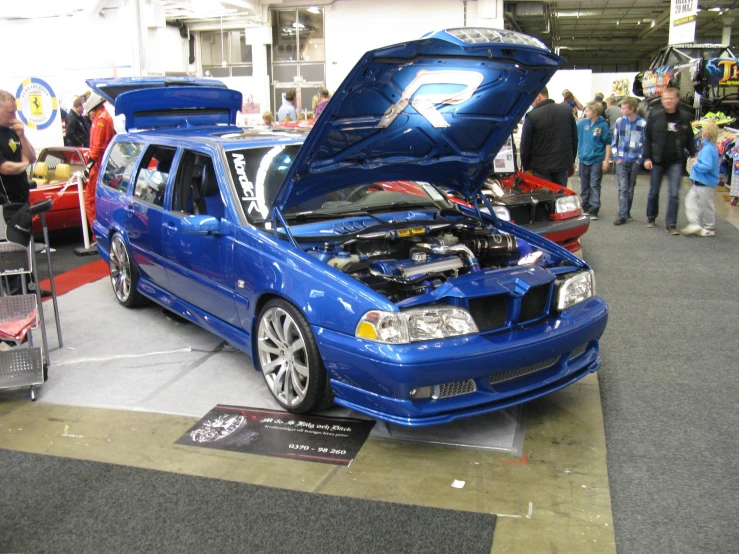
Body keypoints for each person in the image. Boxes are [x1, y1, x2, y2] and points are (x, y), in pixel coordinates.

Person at [643, 87, 696, 234]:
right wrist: (646, 157)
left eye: (671, 98)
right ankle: (651, 216)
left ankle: (671, 224)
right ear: (662, 100)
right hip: (657, 159)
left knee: (674, 193)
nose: (668, 101)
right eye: (665, 98)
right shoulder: (655, 116)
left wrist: (693, 153)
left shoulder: (684, 118)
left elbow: (690, 138)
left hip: (676, 160)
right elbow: (647, 138)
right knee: (654, 191)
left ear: (677, 100)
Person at [520, 86, 578, 188]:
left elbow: (525, 145)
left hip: (540, 168)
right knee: (561, 197)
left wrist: (526, 167)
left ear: (538, 96)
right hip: (562, 164)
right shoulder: (567, 111)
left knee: (543, 198)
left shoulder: (532, 116)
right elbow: (574, 139)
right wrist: (571, 161)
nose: (531, 103)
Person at [83, 92, 115, 236]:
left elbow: (97, 147)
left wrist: (89, 165)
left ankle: (97, 236)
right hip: (102, 165)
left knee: (91, 201)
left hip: (99, 166)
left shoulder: (101, 119)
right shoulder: (101, 116)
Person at [611, 96, 647, 225]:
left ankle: (627, 213)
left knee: (630, 189)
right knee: (623, 188)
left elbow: (645, 142)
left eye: (624, 108)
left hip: (634, 160)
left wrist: (640, 159)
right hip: (621, 159)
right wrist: (616, 157)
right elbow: (614, 141)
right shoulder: (619, 122)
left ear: (632, 109)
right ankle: (622, 215)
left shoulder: (642, 124)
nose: (621, 110)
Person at [681, 121, 719, 237]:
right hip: (700, 182)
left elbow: (706, 167)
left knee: (706, 205)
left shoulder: (707, 149)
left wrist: (696, 163)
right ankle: (696, 223)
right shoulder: (709, 148)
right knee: (691, 201)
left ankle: (709, 227)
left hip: (705, 183)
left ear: (705, 134)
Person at [576, 101, 612, 220]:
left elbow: (607, 143)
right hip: (583, 159)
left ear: (595, 112)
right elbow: (575, 138)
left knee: (594, 184)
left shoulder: (602, 125)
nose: (585, 112)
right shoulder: (581, 124)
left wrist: (606, 160)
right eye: (585, 110)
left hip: (596, 159)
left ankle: (594, 209)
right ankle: (585, 206)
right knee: (584, 184)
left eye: (588, 110)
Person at [0, 90, 36, 203]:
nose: (14, 117)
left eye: (15, 112)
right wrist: (24, 164)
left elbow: (32, 158)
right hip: (6, 203)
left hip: (22, 198)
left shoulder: (12, 131)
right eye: (10, 112)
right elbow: (5, 168)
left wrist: (22, 136)